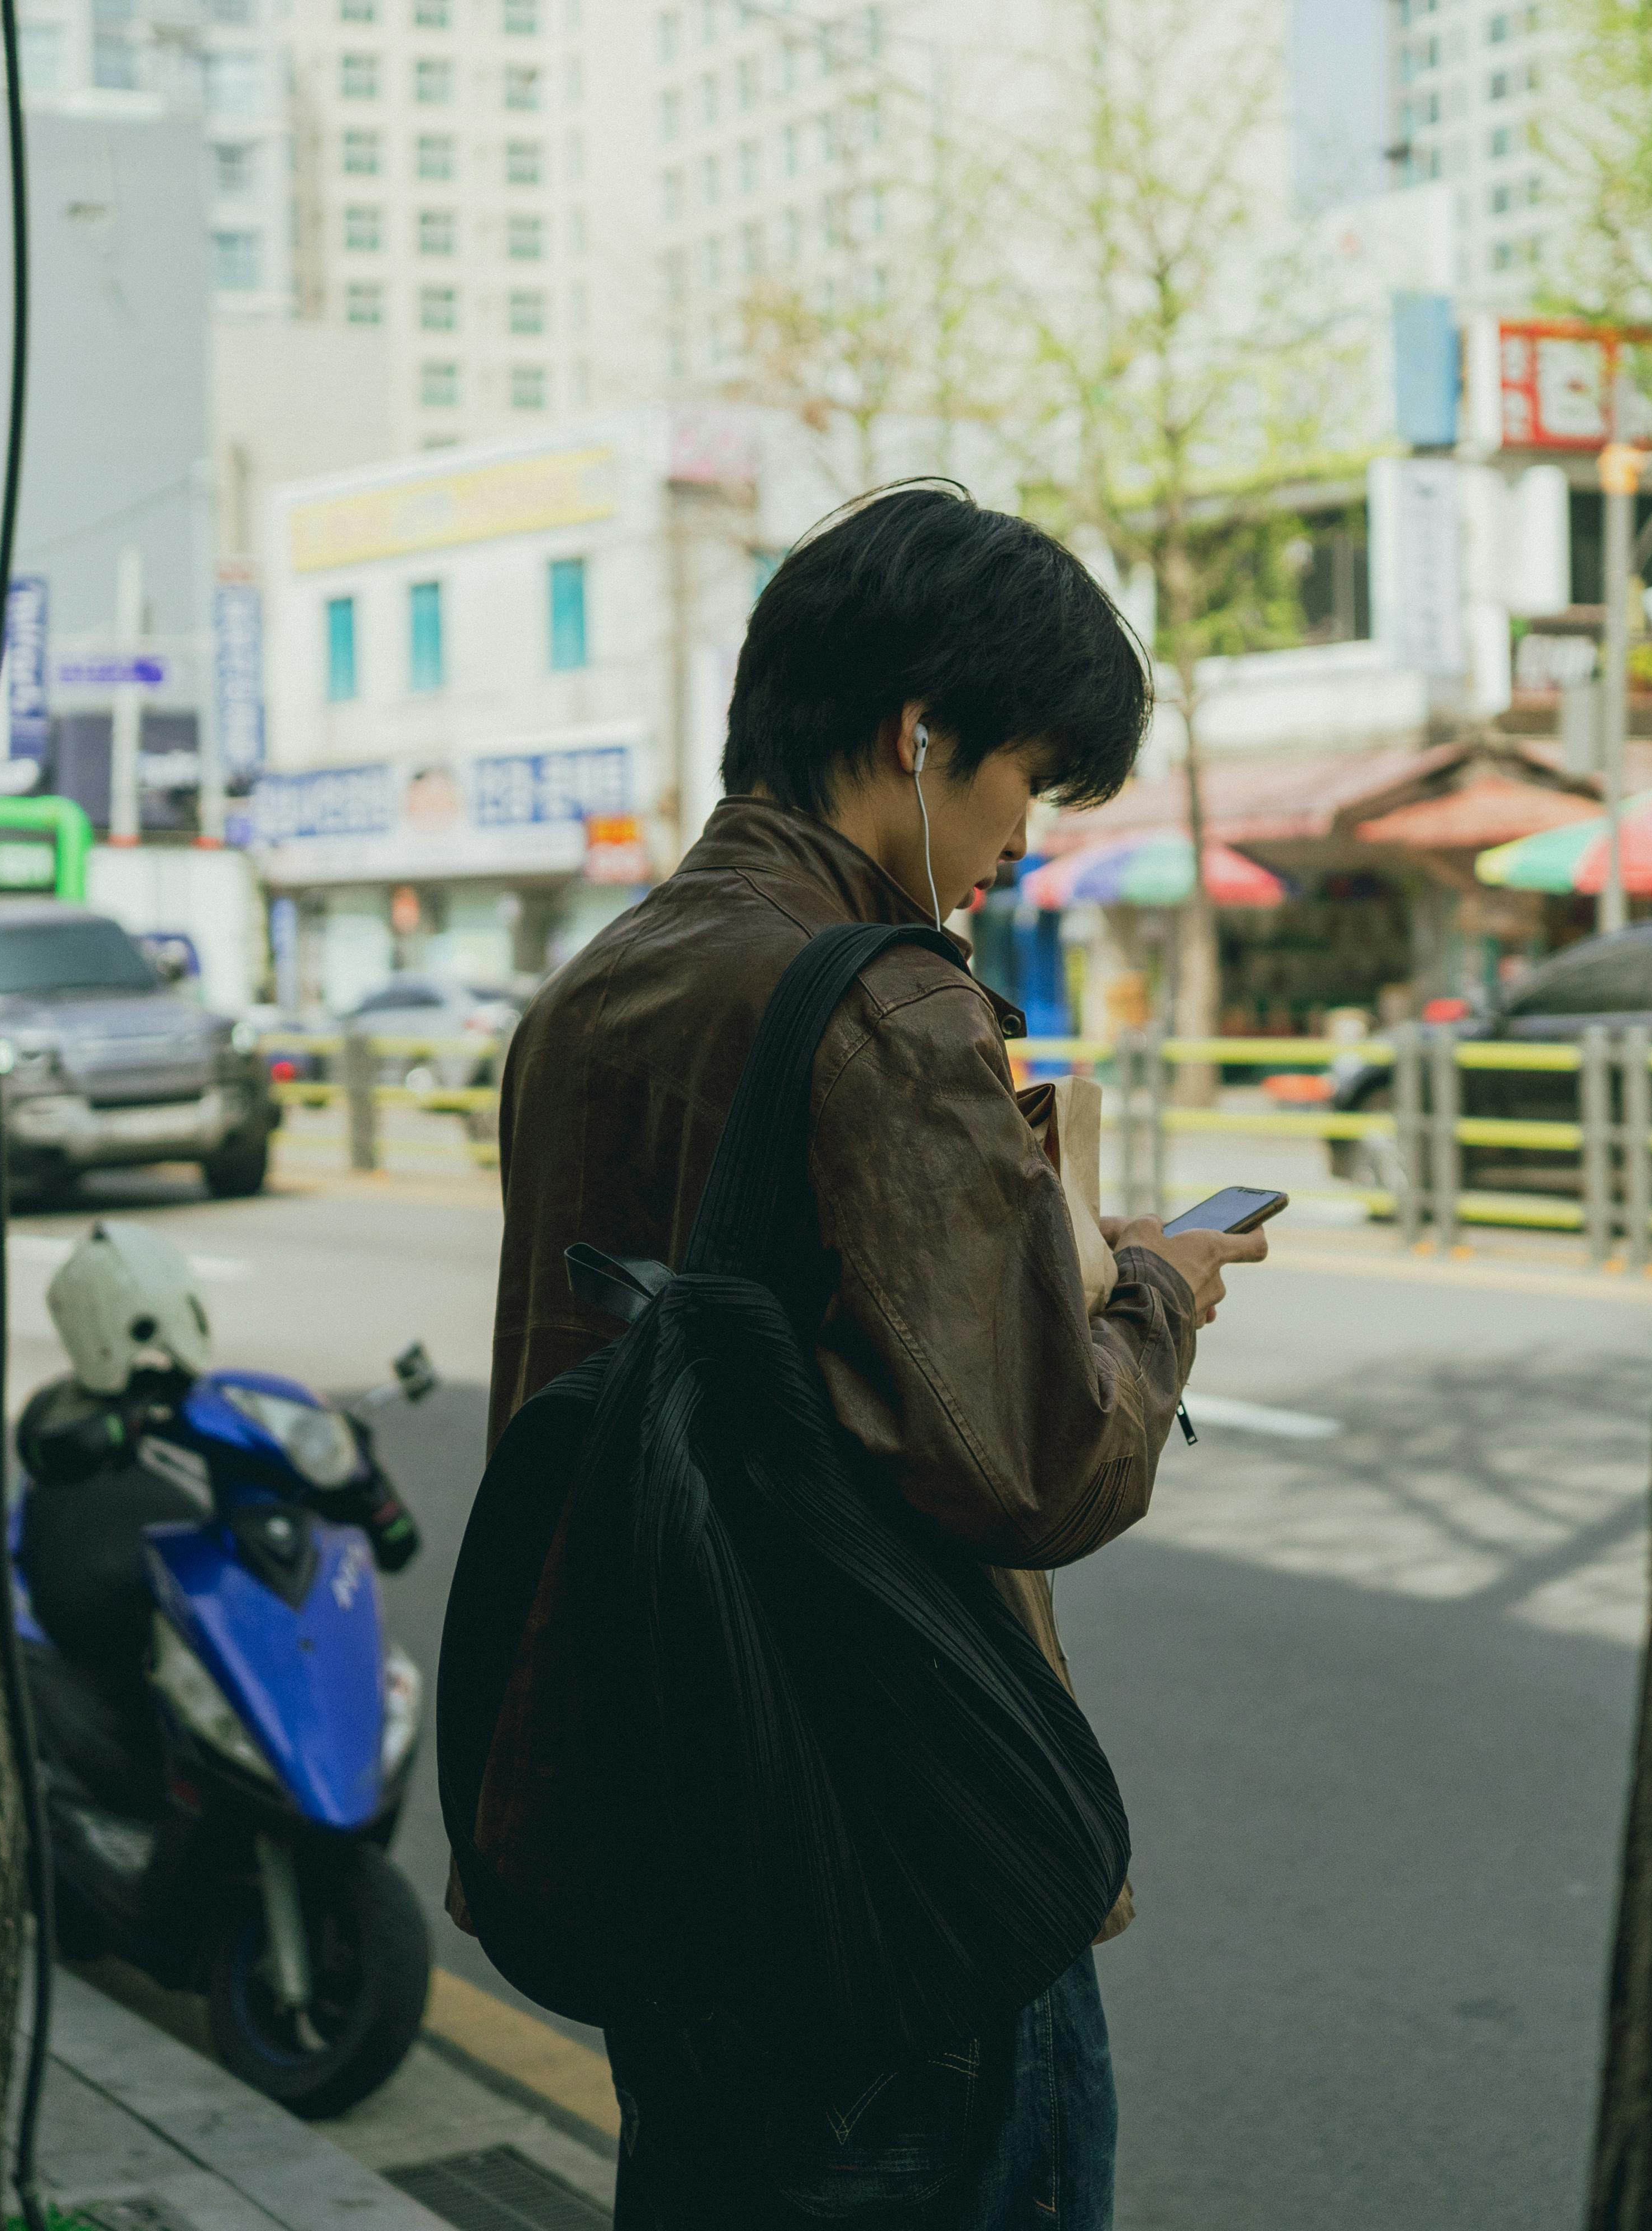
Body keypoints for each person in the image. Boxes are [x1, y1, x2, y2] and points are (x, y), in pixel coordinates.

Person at [470, 484, 1265, 2227]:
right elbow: (1043, 1463)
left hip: (665, 1834)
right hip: (888, 1869)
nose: (1020, 845)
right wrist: (1160, 1299)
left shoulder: (593, 992)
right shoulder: (888, 1004)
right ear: (917, 739)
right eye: (1021, 783)